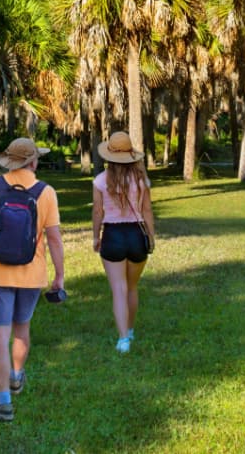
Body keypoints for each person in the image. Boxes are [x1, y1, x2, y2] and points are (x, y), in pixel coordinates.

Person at [0, 137, 65, 423]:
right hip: (32, 275)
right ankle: (17, 376)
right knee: (22, 329)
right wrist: (59, 275)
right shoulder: (46, 192)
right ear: (33, 162)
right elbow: (54, 238)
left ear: (10, 161)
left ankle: (4, 401)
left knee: (0, 337)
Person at [92, 131, 156, 354]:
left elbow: (98, 212)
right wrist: (151, 235)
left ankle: (123, 340)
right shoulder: (141, 179)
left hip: (113, 235)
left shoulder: (100, 180)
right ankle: (129, 330)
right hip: (137, 235)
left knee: (118, 289)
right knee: (131, 287)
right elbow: (147, 210)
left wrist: (95, 236)